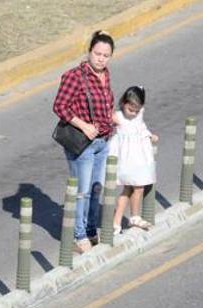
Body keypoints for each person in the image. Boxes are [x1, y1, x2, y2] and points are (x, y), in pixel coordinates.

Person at [52, 30, 115, 254]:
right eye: (97, 53)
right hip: (83, 144)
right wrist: (84, 125)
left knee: (96, 189)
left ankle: (90, 229)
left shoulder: (105, 75)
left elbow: (105, 104)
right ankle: (78, 236)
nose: (101, 58)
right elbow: (60, 106)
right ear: (89, 52)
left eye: (106, 55)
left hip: (102, 142)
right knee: (82, 191)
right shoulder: (75, 76)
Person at [107, 85, 158, 234]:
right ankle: (134, 216)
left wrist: (149, 134)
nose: (134, 113)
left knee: (130, 188)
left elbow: (141, 126)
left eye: (137, 110)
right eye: (131, 110)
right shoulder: (117, 117)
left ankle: (117, 221)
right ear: (123, 103)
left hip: (140, 156)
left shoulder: (139, 113)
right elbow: (103, 120)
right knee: (137, 186)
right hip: (128, 158)